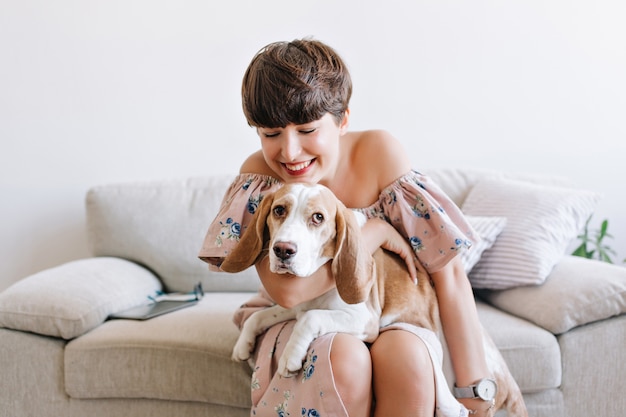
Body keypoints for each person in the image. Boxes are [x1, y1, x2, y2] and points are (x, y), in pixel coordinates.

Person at [199, 38, 495, 417]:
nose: (289, 153)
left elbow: (448, 272)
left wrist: (475, 390)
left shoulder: (380, 154)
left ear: (343, 120)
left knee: (408, 360)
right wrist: (374, 233)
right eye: (270, 134)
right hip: (297, 310)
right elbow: (290, 295)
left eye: (307, 130)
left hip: (388, 309)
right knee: (341, 355)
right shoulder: (259, 179)